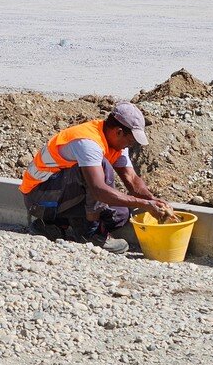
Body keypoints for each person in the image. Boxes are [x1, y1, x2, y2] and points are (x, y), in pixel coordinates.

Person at [19, 102, 171, 253]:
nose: (129, 146)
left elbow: (131, 179)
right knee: (103, 167)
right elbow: (98, 190)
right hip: (39, 198)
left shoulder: (116, 143)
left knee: (121, 214)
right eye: (130, 141)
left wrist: (152, 200)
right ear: (118, 132)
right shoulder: (88, 142)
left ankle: (55, 224)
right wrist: (144, 204)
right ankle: (90, 234)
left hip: (59, 193)